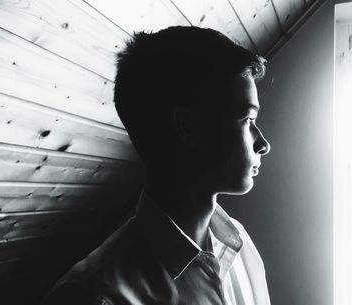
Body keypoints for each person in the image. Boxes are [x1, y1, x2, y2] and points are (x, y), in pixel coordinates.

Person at [42, 26, 271, 305]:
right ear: (188, 128)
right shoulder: (95, 295)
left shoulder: (240, 245)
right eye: (247, 120)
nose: (263, 144)